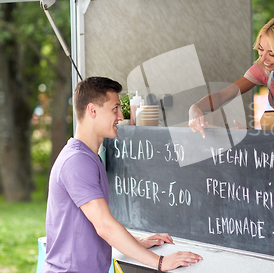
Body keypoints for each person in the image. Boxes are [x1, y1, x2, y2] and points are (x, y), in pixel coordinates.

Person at [42, 77, 202, 273]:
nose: (120, 116)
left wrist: (137, 241)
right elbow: (104, 226)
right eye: (114, 108)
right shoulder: (77, 161)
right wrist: (160, 262)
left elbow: (91, 225)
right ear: (92, 110)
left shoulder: (90, 157)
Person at [189, 16, 274, 137]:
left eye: (272, 54)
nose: (263, 58)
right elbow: (223, 96)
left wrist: (253, 135)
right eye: (261, 49)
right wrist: (195, 108)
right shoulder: (264, 68)